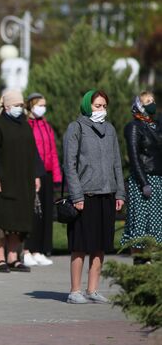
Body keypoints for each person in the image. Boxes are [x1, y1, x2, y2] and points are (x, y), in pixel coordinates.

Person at [63, 89, 125, 304]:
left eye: (104, 106)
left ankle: (93, 289)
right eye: (97, 106)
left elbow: (117, 162)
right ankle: (74, 291)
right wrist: (76, 195)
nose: (101, 110)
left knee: (100, 245)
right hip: (85, 196)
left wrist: (120, 192)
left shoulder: (110, 129)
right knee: (80, 245)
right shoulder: (76, 128)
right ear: (87, 106)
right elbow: (69, 165)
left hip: (107, 195)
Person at [0, 88, 44, 273]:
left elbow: (33, 153)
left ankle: (13, 258)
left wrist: (37, 176)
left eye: (21, 105)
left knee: (19, 222)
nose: (19, 108)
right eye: (16, 105)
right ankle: (0, 259)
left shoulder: (25, 126)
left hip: (23, 183)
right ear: (7, 106)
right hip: (2, 182)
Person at [121, 91, 162, 263]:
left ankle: (151, 262)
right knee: (139, 227)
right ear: (139, 105)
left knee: (156, 227)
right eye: (147, 101)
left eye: (153, 100)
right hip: (143, 181)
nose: (151, 103)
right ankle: (139, 262)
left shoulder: (157, 125)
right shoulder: (134, 127)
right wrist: (144, 182)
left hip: (158, 179)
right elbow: (134, 157)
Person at [22, 93, 62, 267]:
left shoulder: (46, 125)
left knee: (45, 213)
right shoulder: (26, 125)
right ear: (31, 106)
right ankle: (27, 250)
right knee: (32, 213)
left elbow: (52, 151)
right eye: (40, 104)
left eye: (44, 105)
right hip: (32, 174)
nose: (43, 108)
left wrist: (57, 175)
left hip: (47, 174)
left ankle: (39, 250)